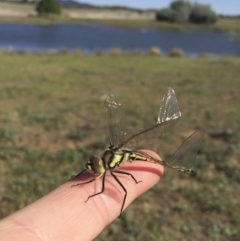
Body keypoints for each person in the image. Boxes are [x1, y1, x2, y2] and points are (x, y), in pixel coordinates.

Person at [0, 150, 163, 241]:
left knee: (125, 189)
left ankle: (119, 211)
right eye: (93, 163)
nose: (90, 167)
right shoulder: (103, 166)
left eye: (94, 166)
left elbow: (103, 190)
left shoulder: (109, 169)